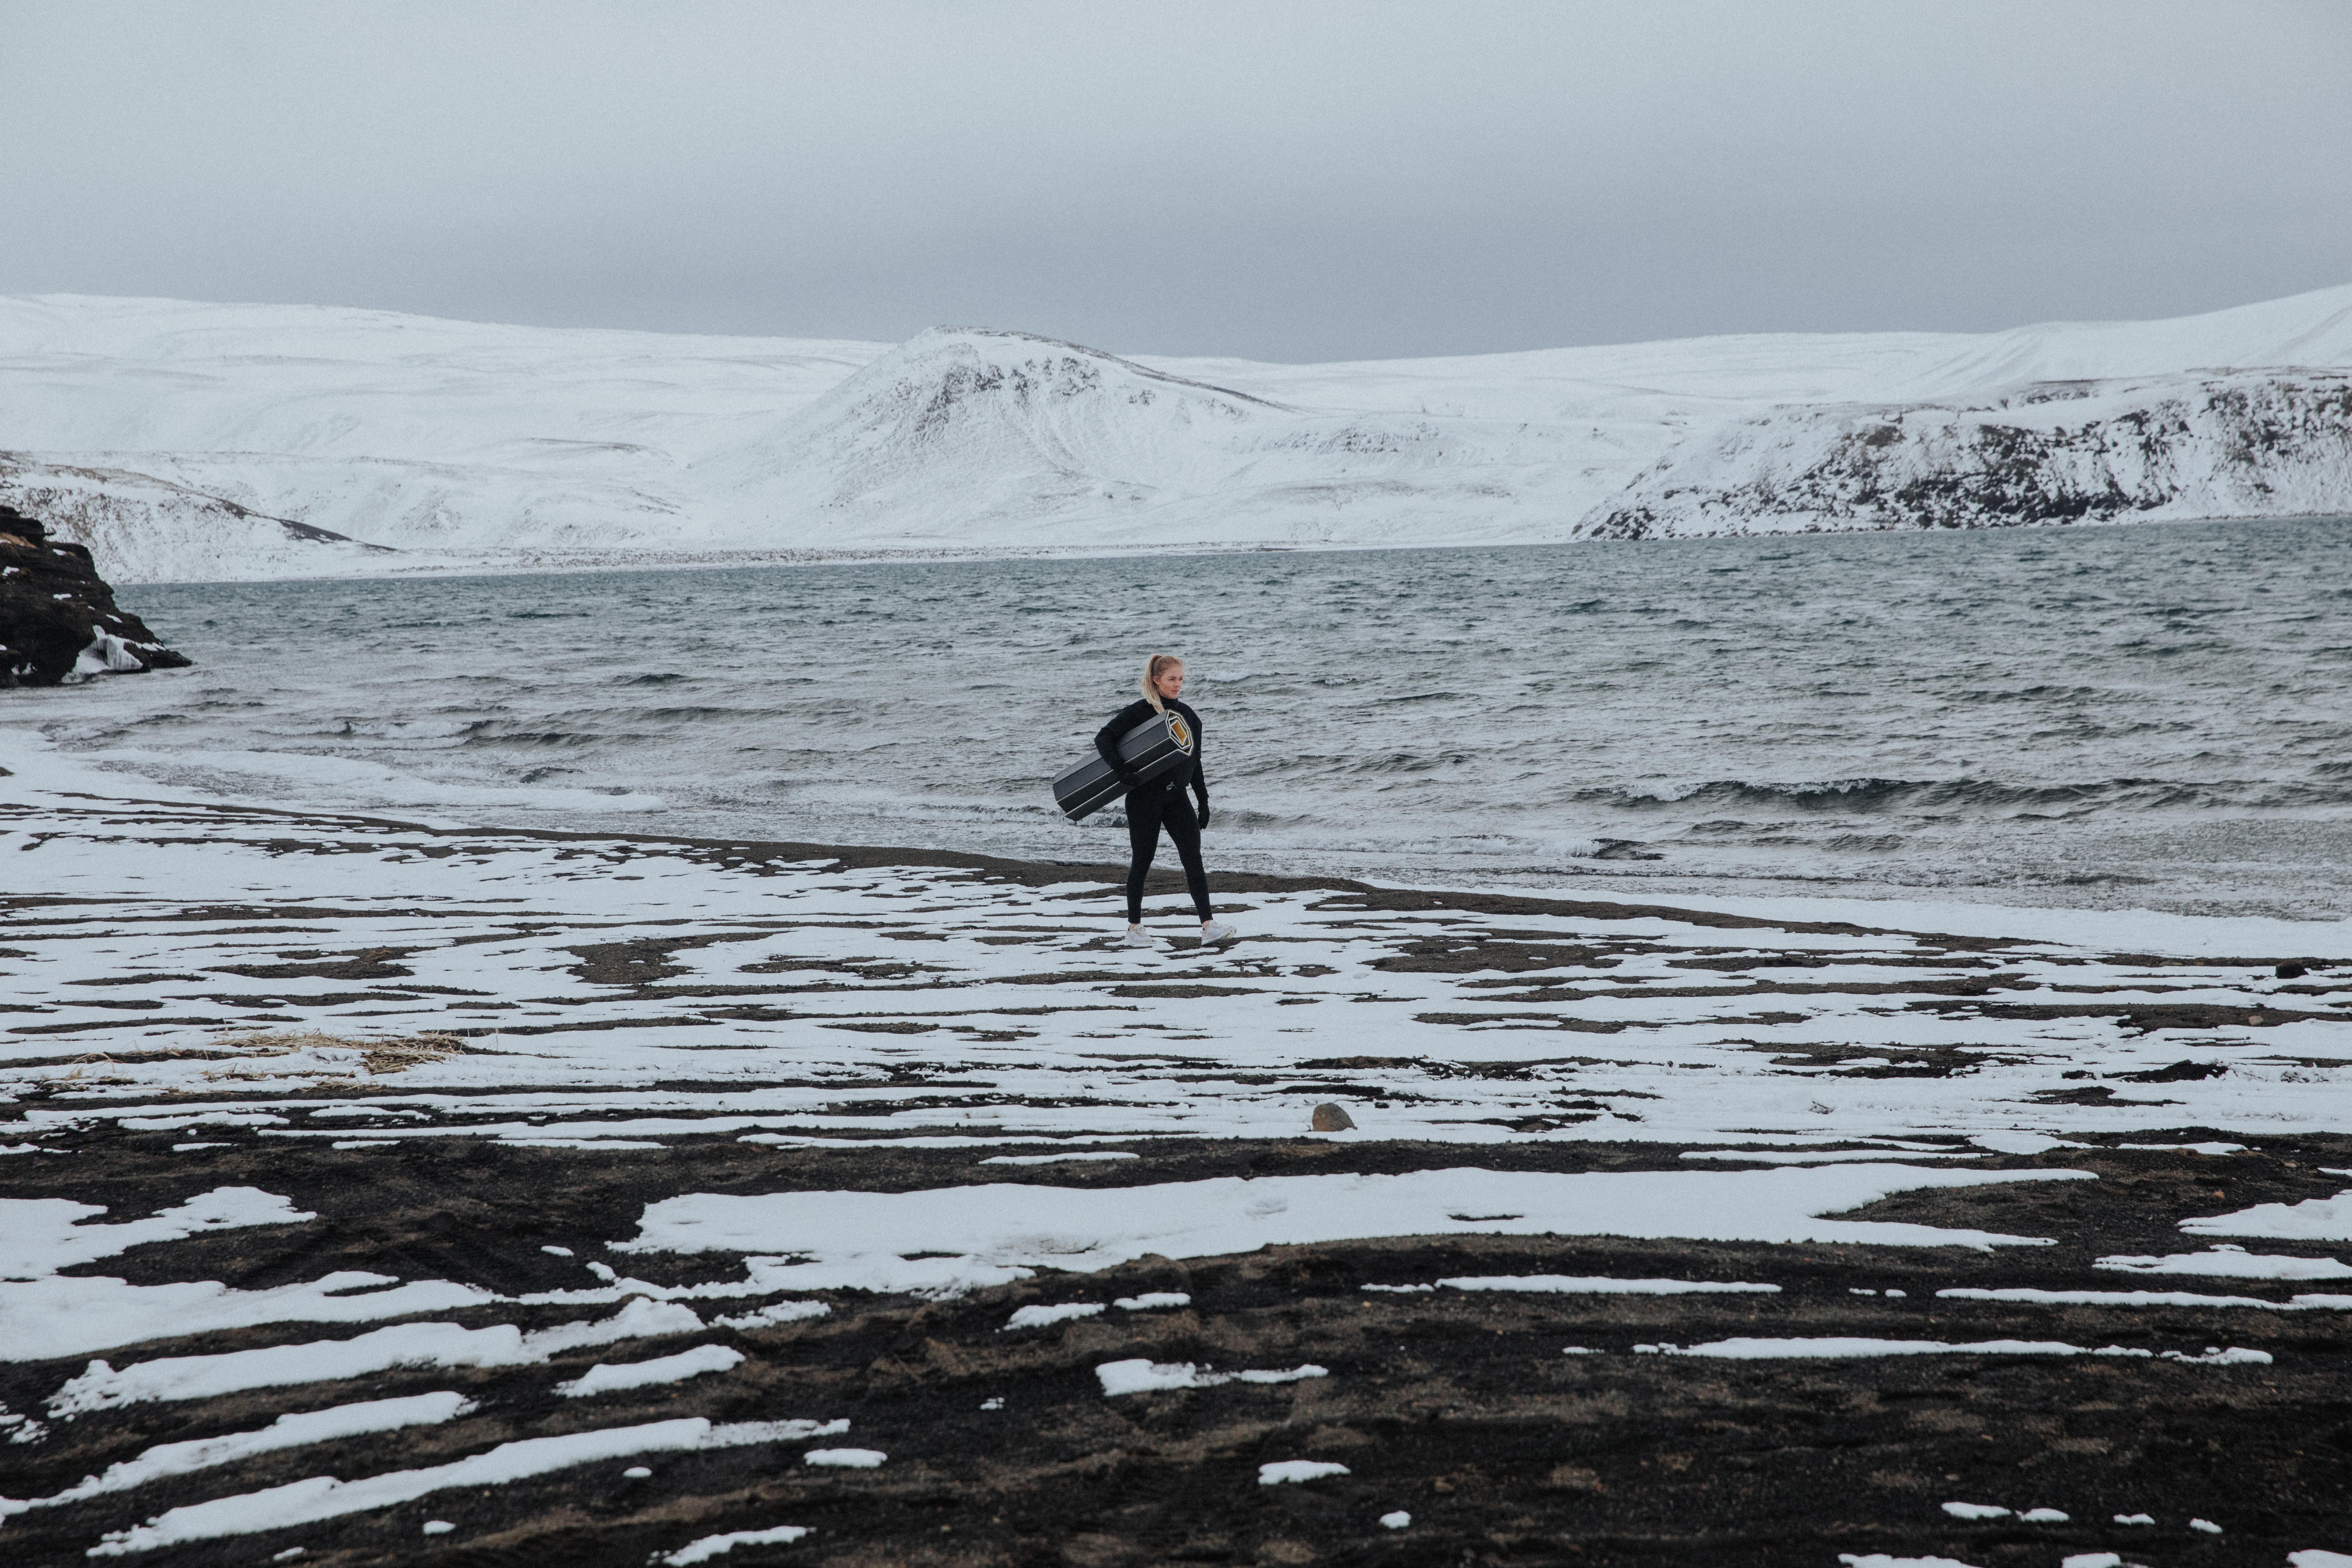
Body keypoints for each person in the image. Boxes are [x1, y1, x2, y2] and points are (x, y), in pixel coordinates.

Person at [1096, 653, 1236, 948]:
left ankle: (1208, 926)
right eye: (1172, 679)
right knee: (1142, 861)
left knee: (1193, 859)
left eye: (1181, 679)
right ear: (1157, 680)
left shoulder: (1190, 717)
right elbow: (1104, 738)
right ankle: (1134, 928)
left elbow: (1195, 763)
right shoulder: (1140, 712)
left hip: (1176, 798)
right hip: (1143, 799)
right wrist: (1121, 771)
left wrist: (1203, 800)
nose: (1178, 685)